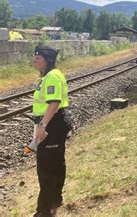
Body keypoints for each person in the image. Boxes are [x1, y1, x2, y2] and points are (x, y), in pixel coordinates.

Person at [32, 45, 72, 217]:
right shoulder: (49, 76)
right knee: (55, 163)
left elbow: (54, 103)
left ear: (47, 60)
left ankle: (44, 210)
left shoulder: (53, 77)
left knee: (46, 167)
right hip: (52, 123)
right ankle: (55, 198)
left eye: (38, 58)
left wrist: (42, 126)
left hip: (51, 124)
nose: (35, 61)